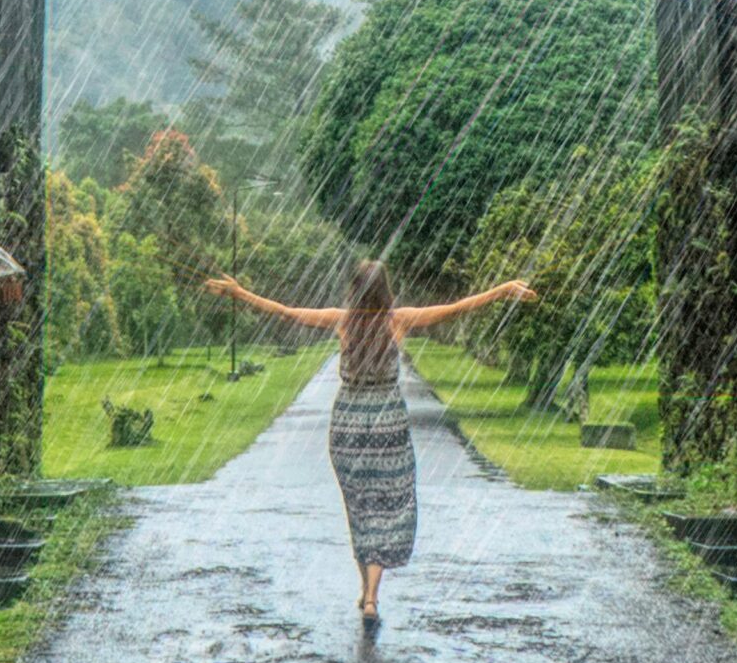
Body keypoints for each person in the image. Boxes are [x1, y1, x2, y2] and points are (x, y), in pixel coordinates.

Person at [202, 258, 536, 621]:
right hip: (387, 422)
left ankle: (366, 591)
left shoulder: (342, 320)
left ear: (354, 289)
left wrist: (239, 293)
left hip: (348, 424)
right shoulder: (399, 320)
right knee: (388, 506)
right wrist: (501, 291)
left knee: (359, 506)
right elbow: (456, 309)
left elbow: (284, 312)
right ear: (385, 289)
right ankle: (373, 596)